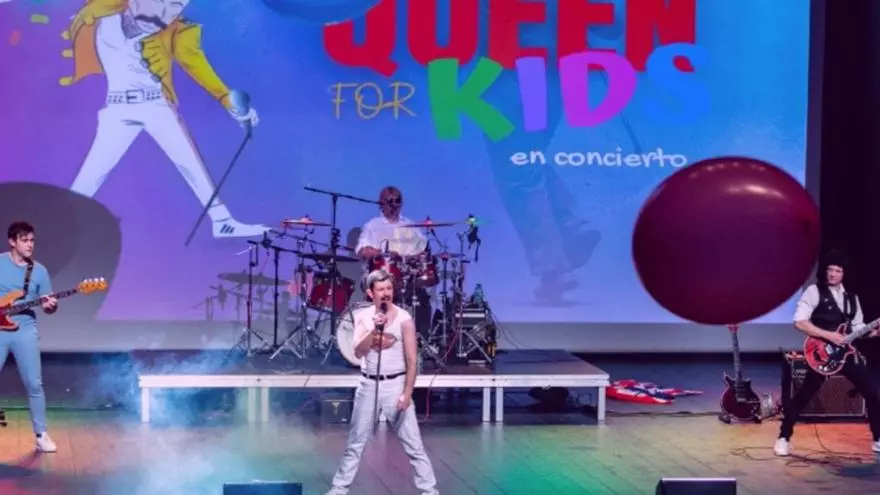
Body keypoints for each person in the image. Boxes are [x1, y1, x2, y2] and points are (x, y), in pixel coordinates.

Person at [64, 0, 267, 239]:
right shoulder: (101, 19)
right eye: (162, 1)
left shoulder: (177, 32)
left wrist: (231, 104)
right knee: (94, 169)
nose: (165, 13)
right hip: (117, 109)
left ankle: (222, 221)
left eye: (177, 6)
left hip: (157, 106)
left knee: (189, 162)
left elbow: (198, 66)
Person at [327, 270, 438, 495]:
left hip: (396, 384)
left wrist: (407, 393)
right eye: (381, 289)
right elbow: (358, 352)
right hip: (368, 385)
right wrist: (374, 329)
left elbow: (412, 360)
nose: (386, 293)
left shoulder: (405, 319)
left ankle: (430, 491)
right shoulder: (362, 317)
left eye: (389, 288)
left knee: (414, 445)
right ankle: (339, 489)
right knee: (355, 443)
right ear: (371, 293)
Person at [775, 249, 880, 456]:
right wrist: (829, 336)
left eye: (838, 271)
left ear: (844, 273)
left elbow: (857, 329)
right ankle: (783, 437)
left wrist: (873, 332)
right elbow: (800, 322)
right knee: (805, 395)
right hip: (821, 353)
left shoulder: (852, 298)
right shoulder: (814, 292)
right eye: (830, 269)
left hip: (846, 354)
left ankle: (878, 438)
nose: (832, 274)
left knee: (873, 392)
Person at [0, 222, 58, 453]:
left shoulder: (39, 271)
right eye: (24, 240)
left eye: (32, 240)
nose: (30, 245)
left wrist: (50, 306)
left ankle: (41, 434)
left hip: (25, 329)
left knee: (34, 383)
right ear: (12, 241)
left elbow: (48, 306)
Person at [355, 186, 433, 339]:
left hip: (406, 278)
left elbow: (423, 249)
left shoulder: (410, 225)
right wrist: (382, 253)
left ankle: (418, 340)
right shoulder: (373, 225)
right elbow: (361, 251)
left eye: (397, 201)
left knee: (423, 299)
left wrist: (415, 257)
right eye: (390, 201)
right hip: (379, 277)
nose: (394, 205)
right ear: (381, 203)